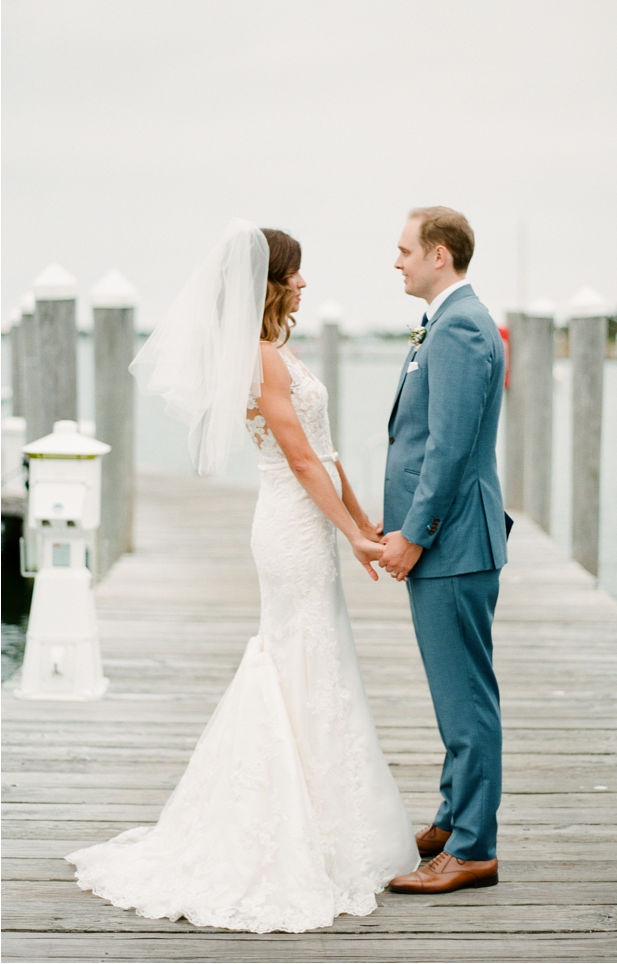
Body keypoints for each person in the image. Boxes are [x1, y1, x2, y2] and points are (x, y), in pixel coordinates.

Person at [68, 222, 419, 933]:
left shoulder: (278, 352)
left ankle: (329, 820)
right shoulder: (260, 360)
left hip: (314, 520)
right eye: (295, 273)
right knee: (296, 660)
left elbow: (328, 453)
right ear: (269, 284)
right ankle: (284, 825)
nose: (305, 283)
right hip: (289, 529)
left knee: (319, 662)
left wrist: (363, 523)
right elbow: (299, 459)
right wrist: (350, 533)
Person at [379, 206, 511, 894]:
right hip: (449, 541)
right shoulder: (450, 320)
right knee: (454, 692)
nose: (396, 261)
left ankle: (473, 848)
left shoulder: (460, 326)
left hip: (452, 543)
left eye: (405, 250)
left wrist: (413, 534)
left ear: (439, 254)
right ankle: (455, 816)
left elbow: (449, 448)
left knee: (466, 700)